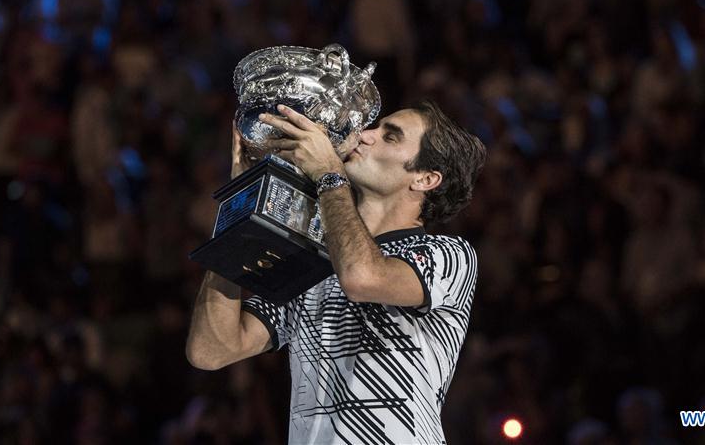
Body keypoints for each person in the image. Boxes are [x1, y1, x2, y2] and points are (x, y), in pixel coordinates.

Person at [186, 100, 486, 444]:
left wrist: (330, 174)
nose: (365, 135)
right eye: (376, 127)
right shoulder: (311, 261)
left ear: (425, 178)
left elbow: (362, 278)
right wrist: (241, 208)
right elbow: (210, 351)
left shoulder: (448, 255)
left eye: (390, 137)